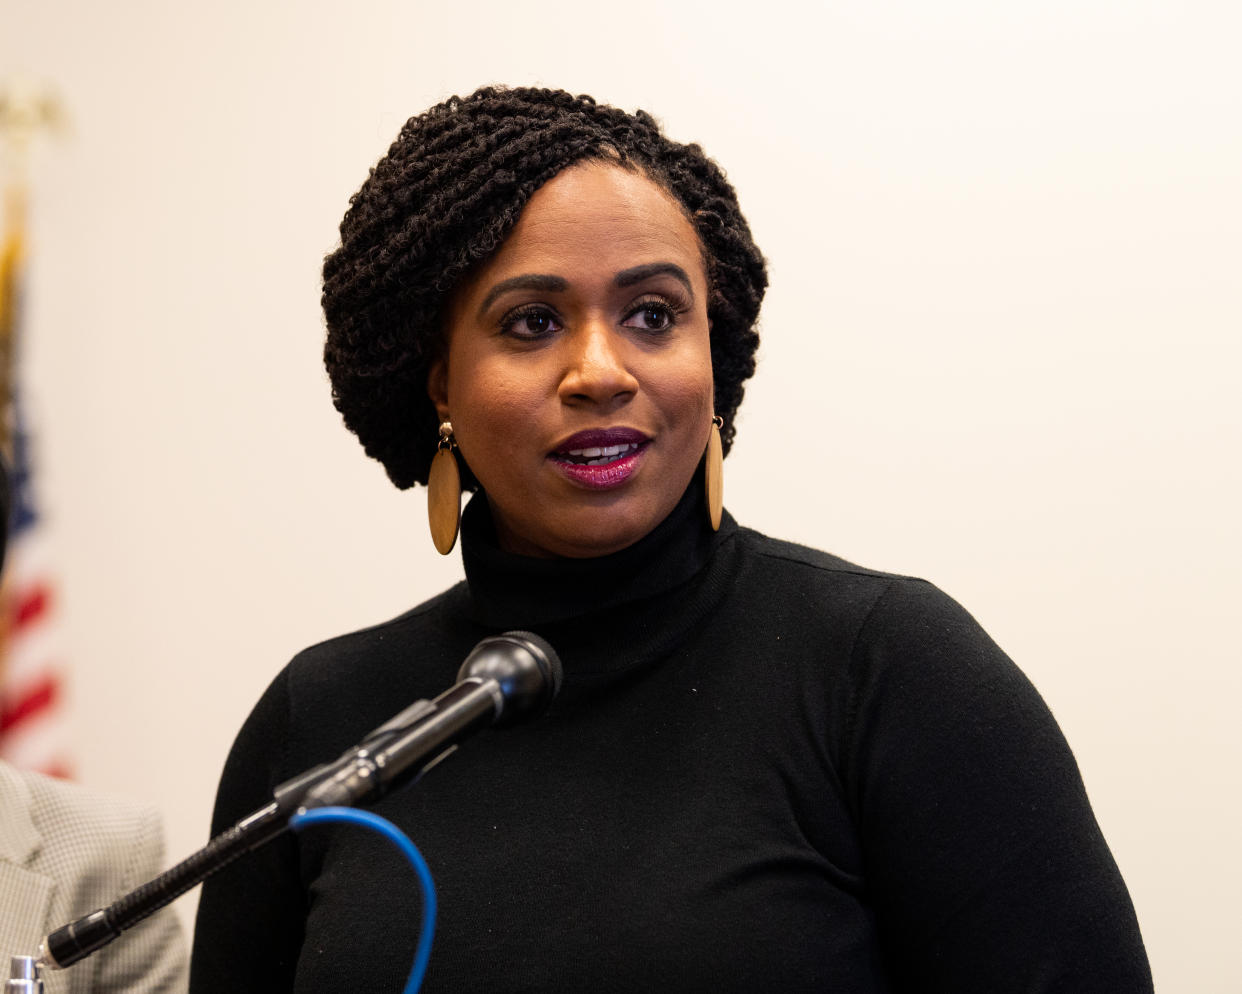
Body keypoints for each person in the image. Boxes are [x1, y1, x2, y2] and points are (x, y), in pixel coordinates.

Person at [190, 86, 1152, 992]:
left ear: (713, 355)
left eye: (653, 315)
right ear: (438, 381)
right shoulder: (317, 723)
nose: (601, 371)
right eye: (532, 322)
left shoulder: (889, 669)